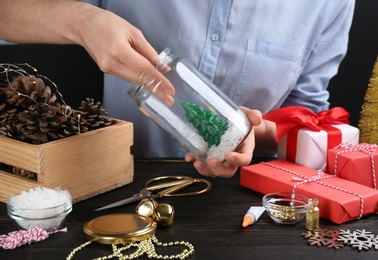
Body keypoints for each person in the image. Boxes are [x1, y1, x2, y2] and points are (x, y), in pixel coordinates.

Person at [0, 0, 355, 178]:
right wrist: (81, 20)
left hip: (237, 199)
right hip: (114, 177)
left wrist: (249, 131)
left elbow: (305, 118)